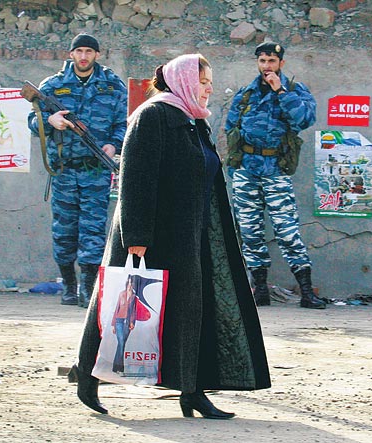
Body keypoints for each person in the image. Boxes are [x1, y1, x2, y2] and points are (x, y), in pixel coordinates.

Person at [71, 54, 271, 418]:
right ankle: (87, 376)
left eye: (209, 81)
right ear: (182, 81)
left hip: (188, 236)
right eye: (203, 81)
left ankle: (192, 391)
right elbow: (135, 179)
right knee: (119, 307)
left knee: (190, 312)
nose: (209, 88)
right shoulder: (152, 115)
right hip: (151, 235)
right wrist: (136, 236)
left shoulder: (192, 120)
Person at [27, 34, 128, 308]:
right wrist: (50, 120)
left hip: (95, 169)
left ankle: (88, 288)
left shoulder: (112, 85)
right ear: (71, 54)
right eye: (79, 51)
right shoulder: (53, 85)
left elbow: (123, 123)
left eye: (89, 52)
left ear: (97, 54)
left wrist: (112, 144)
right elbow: (32, 124)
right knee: (64, 230)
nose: (83, 56)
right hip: (64, 170)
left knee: (93, 229)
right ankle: (68, 286)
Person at [224, 42, 325, 309]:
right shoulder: (246, 94)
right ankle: (259, 290)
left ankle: (306, 291)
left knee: (287, 231)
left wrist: (280, 90)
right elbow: (230, 127)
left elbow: (304, 119)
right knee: (250, 231)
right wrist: (236, 169)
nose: (266, 66)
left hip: (276, 171)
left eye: (271, 61)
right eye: (262, 61)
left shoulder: (294, 91)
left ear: (281, 63)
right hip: (247, 171)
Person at [111, 275, 137, 374]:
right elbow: (117, 308)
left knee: (121, 344)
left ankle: (115, 367)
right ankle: (120, 368)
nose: (130, 285)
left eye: (132, 283)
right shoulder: (122, 294)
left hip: (127, 322)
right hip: (119, 321)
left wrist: (132, 322)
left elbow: (134, 311)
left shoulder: (134, 296)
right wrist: (113, 324)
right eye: (129, 282)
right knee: (121, 342)